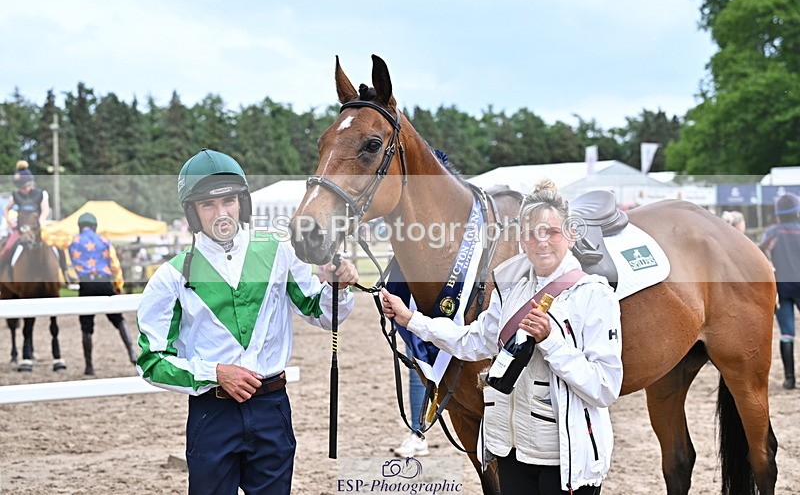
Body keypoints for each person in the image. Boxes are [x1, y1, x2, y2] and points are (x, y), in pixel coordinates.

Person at [136, 149, 359, 495]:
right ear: (192, 213)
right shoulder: (170, 276)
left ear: (242, 202)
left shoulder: (279, 252)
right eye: (208, 205)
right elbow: (151, 362)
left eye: (228, 201)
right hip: (213, 413)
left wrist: (337, 286)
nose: (221, 213)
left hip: (272, 409)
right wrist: (214, 373)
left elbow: (321, 312)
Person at [381, 179, 622, 495]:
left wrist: (550, 341)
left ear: (571, 234)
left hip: (565, 456)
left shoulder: (595, 296)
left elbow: (604, 387)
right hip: (510, 450)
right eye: (531, 234)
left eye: (550, 232)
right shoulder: (509, 291)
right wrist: (412, 320)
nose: (541, 242)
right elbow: (473, 341)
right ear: (521, 240)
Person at [69, 212, 136, 375]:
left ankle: (89, 366)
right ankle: (132, 353)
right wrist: (118, 284)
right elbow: (115, 264)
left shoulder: (74, 241)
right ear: (95, 226)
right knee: (119, 320)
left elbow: (70, 265)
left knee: (86, 326)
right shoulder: (105, 241)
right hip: (104, 282)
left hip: (86, 284)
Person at [759, 192, 800, 390]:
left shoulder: (773, 232)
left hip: (781, 287)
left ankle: (790, 379)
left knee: (787, 332)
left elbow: (760, 250)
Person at [0, 160, 51, 272]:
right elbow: (6, 209)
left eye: (25, 186)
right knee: (7, 248)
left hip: (37, 229)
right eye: (21, 188)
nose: (24, 190)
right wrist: (9, 220)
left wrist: (41, 221)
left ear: (31, 183)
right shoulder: (16, 195)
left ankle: (64, 270)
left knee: (55, 248)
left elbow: (45, 209)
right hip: (21, 229)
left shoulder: (41, 194)